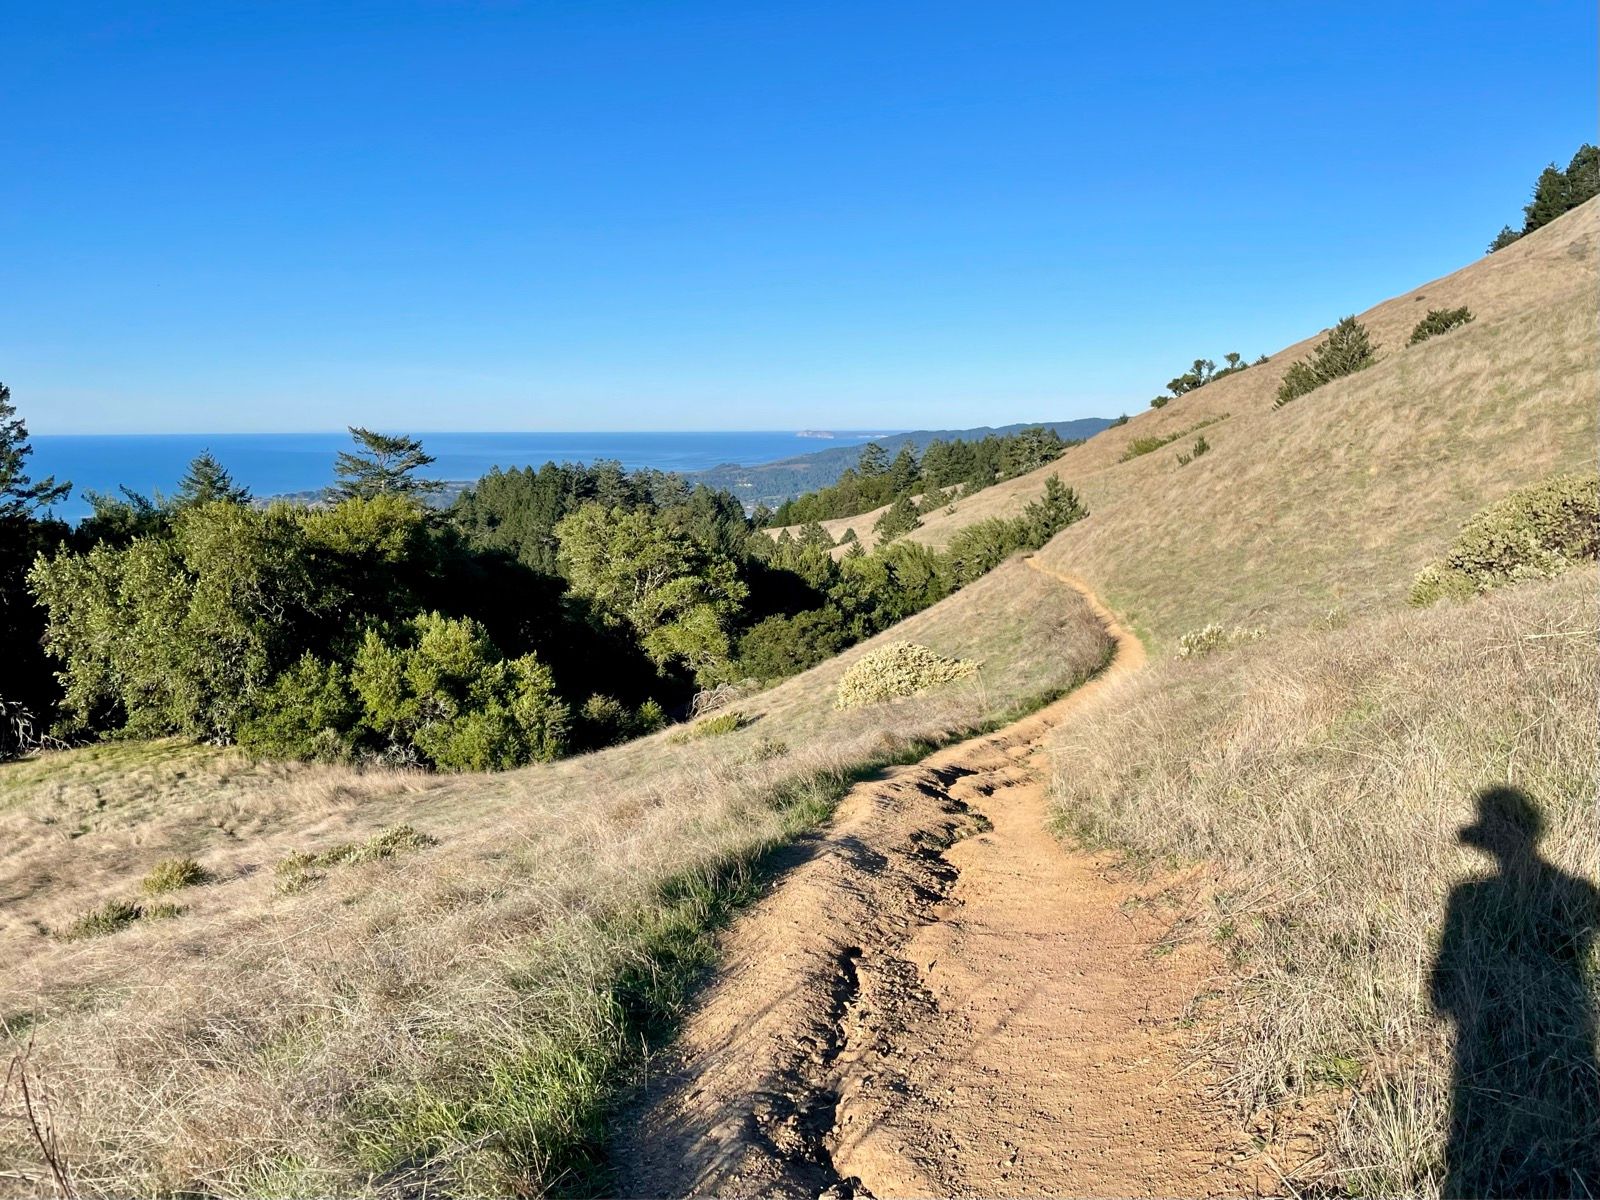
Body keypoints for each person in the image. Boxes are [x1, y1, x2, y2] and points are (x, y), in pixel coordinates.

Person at [1430, 787, 1600, 1198]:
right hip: (1572, 1042)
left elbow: (1439, 996)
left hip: (1488, 1063)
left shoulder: (1467, 896)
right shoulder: (1578, 890)